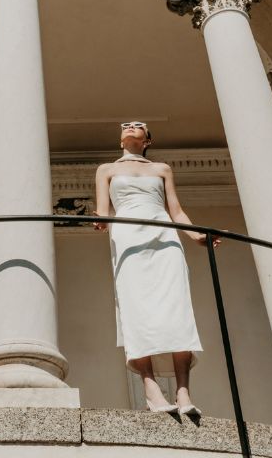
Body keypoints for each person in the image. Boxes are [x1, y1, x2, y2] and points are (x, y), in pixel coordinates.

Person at [94, 120, 218, 419]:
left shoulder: (162, 169)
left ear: (147, 139)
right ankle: (150, 388)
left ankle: (183, 391)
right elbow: (103, 210)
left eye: (138, 125)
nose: (130, 127)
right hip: (128, 239)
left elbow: (175, 210)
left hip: (164, 238)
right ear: (120, 139)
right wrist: (99, 220)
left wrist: (197, 236)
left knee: (177, 308)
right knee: (136, 311)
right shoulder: (106, 170)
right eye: (125, 125)